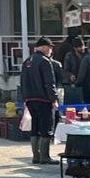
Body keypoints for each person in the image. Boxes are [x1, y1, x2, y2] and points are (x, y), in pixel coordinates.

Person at [20, 36, 61, 165]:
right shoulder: (44, 61)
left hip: (30, 99)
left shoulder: (27, 61)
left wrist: (25, 98)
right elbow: (49, 83)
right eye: (49, 47)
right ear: (43, 47)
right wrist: (54, 99)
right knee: (46, 127)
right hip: (43, 99)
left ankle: (36, 156)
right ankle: (45, 156)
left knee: (35, 127)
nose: (51, 50)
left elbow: (22, 82)